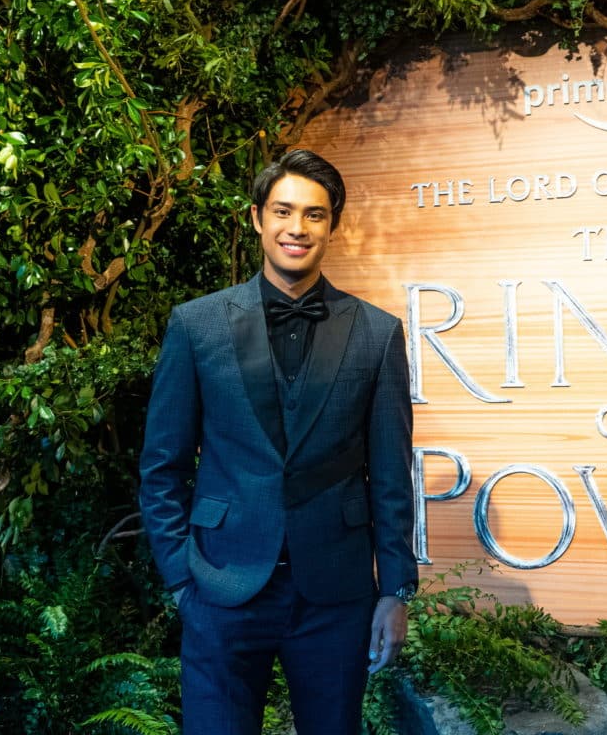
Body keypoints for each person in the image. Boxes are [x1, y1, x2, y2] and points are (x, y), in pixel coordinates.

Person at [139, 148, 417, 735]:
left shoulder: (377, 333)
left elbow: (392, 476)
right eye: (283, 211)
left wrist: (395, 590)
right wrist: (182, 580)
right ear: (257, 218)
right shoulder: (196, 325)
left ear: (332, 226)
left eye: (315, 214)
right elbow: (162, 466)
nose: (298, 228)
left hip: (336, 595)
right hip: (220, 586)